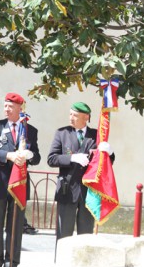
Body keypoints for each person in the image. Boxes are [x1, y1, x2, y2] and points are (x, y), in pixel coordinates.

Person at [0, 93, 41, 267]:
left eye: (10, 106)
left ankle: (12, 262)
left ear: (20, 109)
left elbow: (37, 157)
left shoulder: (30, 130)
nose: (6, 109)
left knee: (15, 225)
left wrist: (28, 156)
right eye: (5, 106)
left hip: (20, 184)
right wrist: (8, 155)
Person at [48, 102, 114, 243]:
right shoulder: (62, 133)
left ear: (86, 117)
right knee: (63, 235)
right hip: (67, 190)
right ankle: (61, 264)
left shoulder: (96, 135)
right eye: (70, 114)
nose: (71, 118)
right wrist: (72, 158)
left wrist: (110, 152)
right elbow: (52, 159)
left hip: (88, 193)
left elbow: (106, 162)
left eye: (75, 115)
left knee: (86, 235)